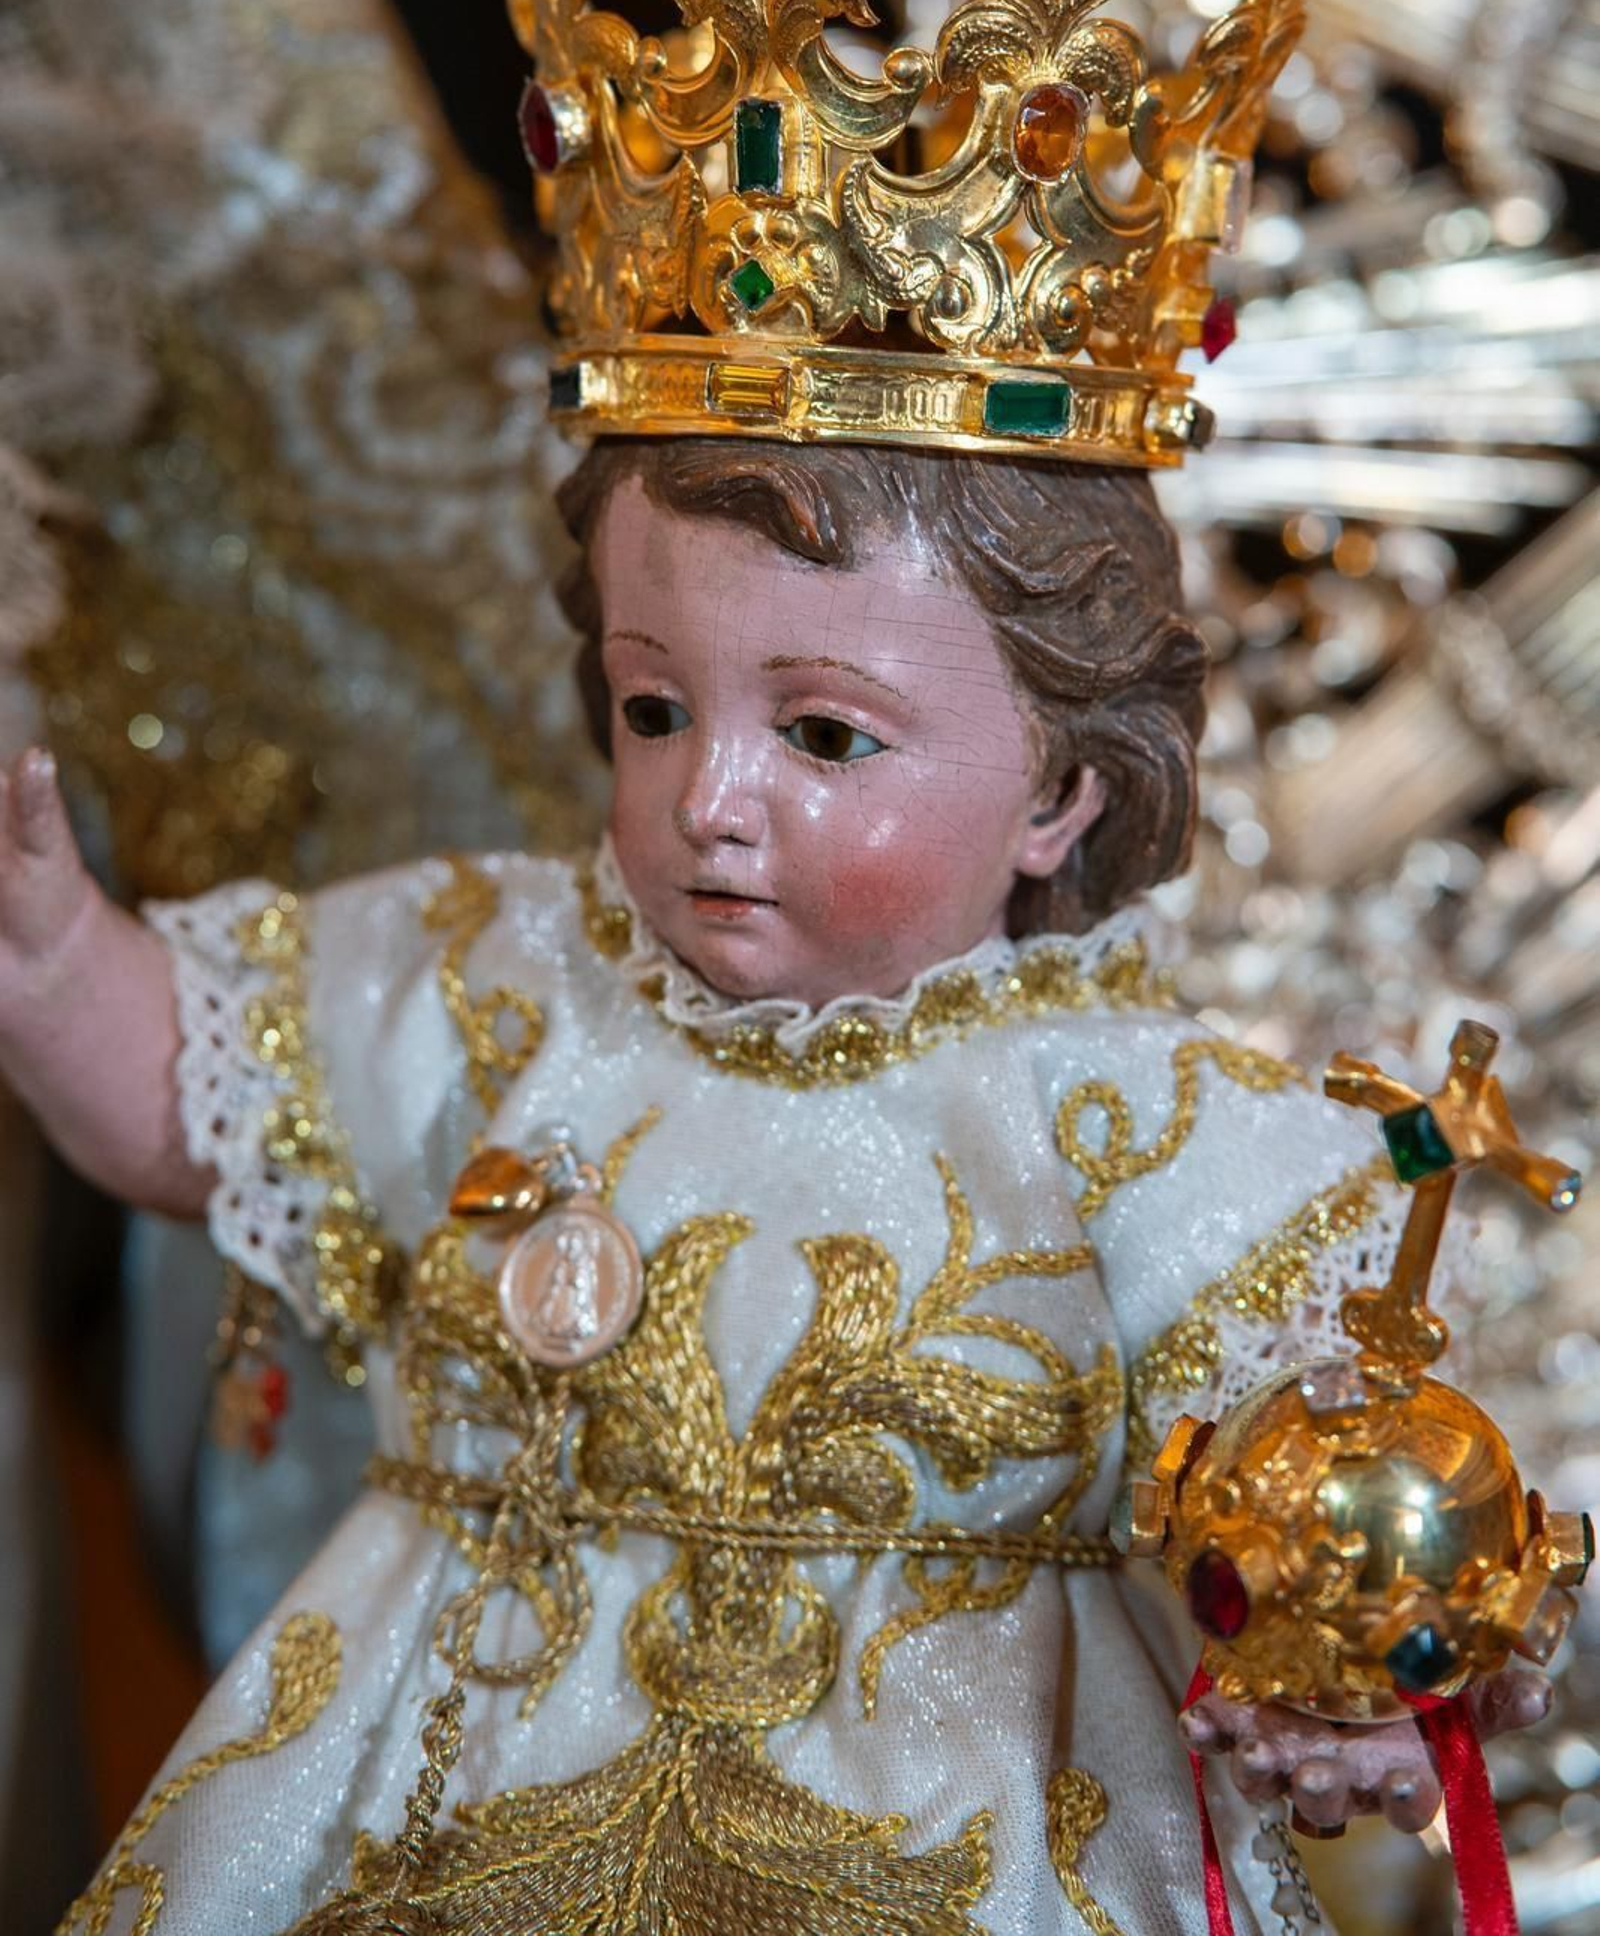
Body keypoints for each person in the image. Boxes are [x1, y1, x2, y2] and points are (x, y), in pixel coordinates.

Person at [0, 437, 1544, 1935]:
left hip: (959, 1809)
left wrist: (1346, 1689)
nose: (706, 799)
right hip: (424, 1784)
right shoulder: (498, 982)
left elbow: (1308, 1501)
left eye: (822, 736)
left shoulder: (1142, 1120)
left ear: (1059, 792)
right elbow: (191, 1104)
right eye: (656, 707)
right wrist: (58, 961)